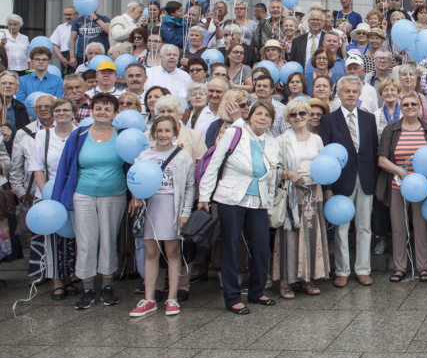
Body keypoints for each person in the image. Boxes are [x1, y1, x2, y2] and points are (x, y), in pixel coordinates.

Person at [197, 100, 281, 314]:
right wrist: (204, 195)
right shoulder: (235, 134)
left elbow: (272, 178)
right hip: (231, 199)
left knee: (262, 247)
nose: (262, 117)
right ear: (250, 116)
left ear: (271, 121)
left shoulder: (272, 142)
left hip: (259, 201)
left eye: (267, 115)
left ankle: (256, 291)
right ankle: (232, 297)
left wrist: (269, 206)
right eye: (258, 113)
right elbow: (214, 164)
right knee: (231, 247)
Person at [51, 93, 127, 309]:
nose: (102, 112)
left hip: (114, 196)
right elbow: (64, 170)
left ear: (115, 113)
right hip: (83, 195)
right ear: (91, 111)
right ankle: (87, 289)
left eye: (107, 108)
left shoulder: (122, 136)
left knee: (109, 241)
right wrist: (58, 200)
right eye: (98, 108)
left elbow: (132, 167)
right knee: (85, 242)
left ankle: (107, 287)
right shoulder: (78, 136)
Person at [127, 115, 196, 317]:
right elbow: (136, 181)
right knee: (151, 253)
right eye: (159, 130)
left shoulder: (183, 157)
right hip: (150, 208)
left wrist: (185, 212)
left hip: (171, 208)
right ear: (153, 133)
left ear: (175, 133)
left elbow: (190, 187)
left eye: (167, 130)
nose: (163, 134)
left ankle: (172, 298)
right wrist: (135, 196)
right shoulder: (143, 156)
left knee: (173, 252)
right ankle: (149, 299)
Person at [318, 75, 379, 287]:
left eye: (354, 91)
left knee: (364, 227)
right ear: (339, 94)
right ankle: (342, 271)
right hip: (340, 182)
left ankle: (363, 269)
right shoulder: (328, 120)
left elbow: (372, 153)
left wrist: (375, 183)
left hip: (365, 180)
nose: (351, 94)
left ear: (359, 94)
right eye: (347, 91)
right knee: (341, 227)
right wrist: (327, 188)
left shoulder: (369, 119)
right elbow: (324, 156)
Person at [376, 91, 427, 283]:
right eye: (406, 104)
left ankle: (423, 267)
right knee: (399, 227)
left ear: (420, 107)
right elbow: (382, 160)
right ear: (401, 107)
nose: (410, 107)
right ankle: (400, 267)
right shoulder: (391, 130)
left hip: (423, 188)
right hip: (397, 186)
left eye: (413, 105)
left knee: (421, 226)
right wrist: (401, 172)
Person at [275, 99, 329, 298]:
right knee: (291, 235)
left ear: (308, 115)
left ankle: (307, 279)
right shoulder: (282, 139)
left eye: (302, 114)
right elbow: (274, 167)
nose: (298, 118)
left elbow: (324, 164)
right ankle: (285, 282)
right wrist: (288, 173)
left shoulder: (316, 139)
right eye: (293, 114)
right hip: (292, 192)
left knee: (311, 233)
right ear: (288, 118)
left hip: (314, 191)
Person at [27, 96, 76, 298]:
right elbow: (37, 167)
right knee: (52, 241)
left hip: (74, 194)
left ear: (73, 112)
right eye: (58, 110)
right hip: (49, 195)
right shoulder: (42, 136)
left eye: (66, 110)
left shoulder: (81, 133)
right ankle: (57, 281)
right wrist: (47, 194)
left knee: (72, 239)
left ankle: (70, 277)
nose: (61, 113)